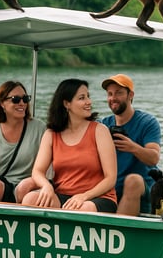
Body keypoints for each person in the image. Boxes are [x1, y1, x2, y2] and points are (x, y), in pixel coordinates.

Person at [22, 78, 117, 213]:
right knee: (30, 199)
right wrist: (46, 186)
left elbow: (110, 178)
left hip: (97, 197)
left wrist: (84, 196)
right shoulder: (51, 134)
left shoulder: (100, 131)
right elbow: (37, 171)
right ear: (67, 103)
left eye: (88, 97)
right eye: (82, 98)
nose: (89, 102)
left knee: (83, 209)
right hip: (63, 196)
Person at [0, 80, 46, 203]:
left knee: (24, 188)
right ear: (2, 103)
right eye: (16, 99)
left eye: (25, 99)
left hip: (29, 186)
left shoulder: (39, 128)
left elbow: (47, 167)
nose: (22, 103)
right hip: (1, 184)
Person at [101, 74, 161, 216]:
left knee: (133, 180)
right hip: (111, 191)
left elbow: (154, 158)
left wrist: (132, 147)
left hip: (142, 191)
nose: (113, 98)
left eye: (119, 93)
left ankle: (119, 233)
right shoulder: (103, 124)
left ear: (130, 95)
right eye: (110, 94)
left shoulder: (147, 122)